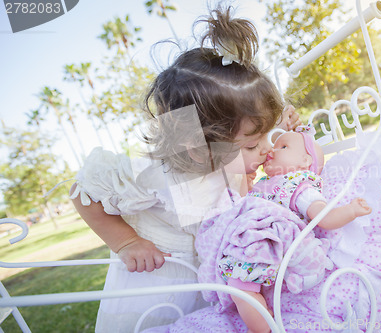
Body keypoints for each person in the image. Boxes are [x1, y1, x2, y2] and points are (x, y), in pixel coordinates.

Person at [69, 6, 300, 332]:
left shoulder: (224, 161)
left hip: (206, 286)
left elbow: (239, 195)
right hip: (152, 289)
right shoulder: (154, 174)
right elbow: (84, 192)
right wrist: (127, 243)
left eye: (264, 136)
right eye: (251, 144)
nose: (265, 148)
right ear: (197, 146)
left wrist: (278, 132)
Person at [215, 126, 372, 333]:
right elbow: (247, 205)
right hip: (254, 236)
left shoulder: (299, 185)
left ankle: (262, 328)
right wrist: (246, 180)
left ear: (305, 162)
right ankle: (262, 319)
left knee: (241, 286)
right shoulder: (266, 182)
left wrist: (351, 210)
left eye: (283, 146)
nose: (272, 149)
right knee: (238, 286)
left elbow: (323, 218)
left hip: (270, 240)